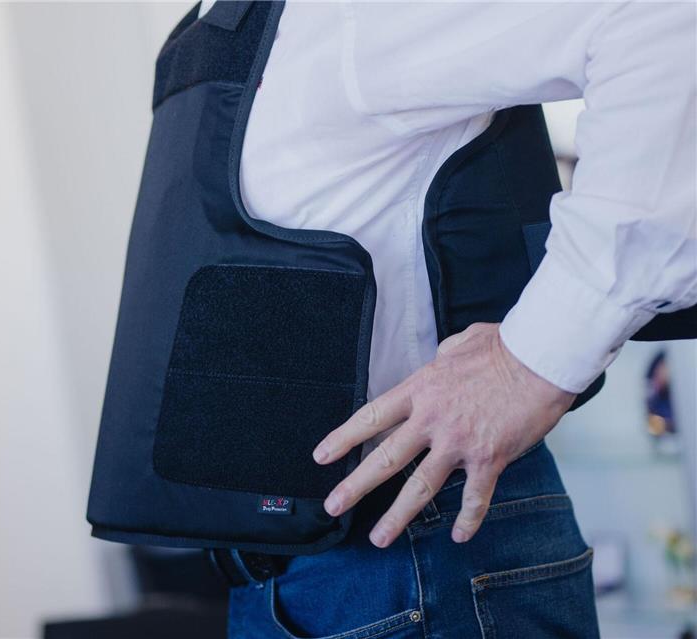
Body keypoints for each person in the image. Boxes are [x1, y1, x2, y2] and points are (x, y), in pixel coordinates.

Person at [204, 2, 697, 637]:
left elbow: (659, 19)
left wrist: (533, 362)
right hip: (285, 574)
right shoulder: (233, 28)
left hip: (416, 551)